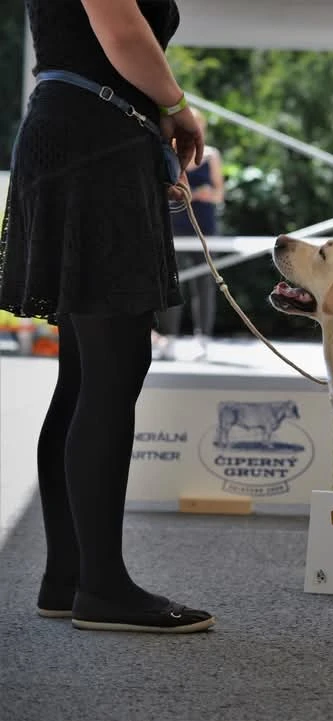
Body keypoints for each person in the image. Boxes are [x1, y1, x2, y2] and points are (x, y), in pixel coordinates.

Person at [0, 0, 214, 632]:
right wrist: (175, 105)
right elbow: (118, 27)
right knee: (114, 368)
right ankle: (102, 586)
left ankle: (69, 577)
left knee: (85, 375)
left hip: (85, 130)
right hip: (93, 140)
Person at [154, 107, 225, 361]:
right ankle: (168, 339)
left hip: (203, 230)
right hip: (173, 227)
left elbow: (219, 194)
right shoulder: (168, 153)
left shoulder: (211, 156)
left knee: (204, 285)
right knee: (171, 283)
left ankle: (202, 340)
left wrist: (205, 194)